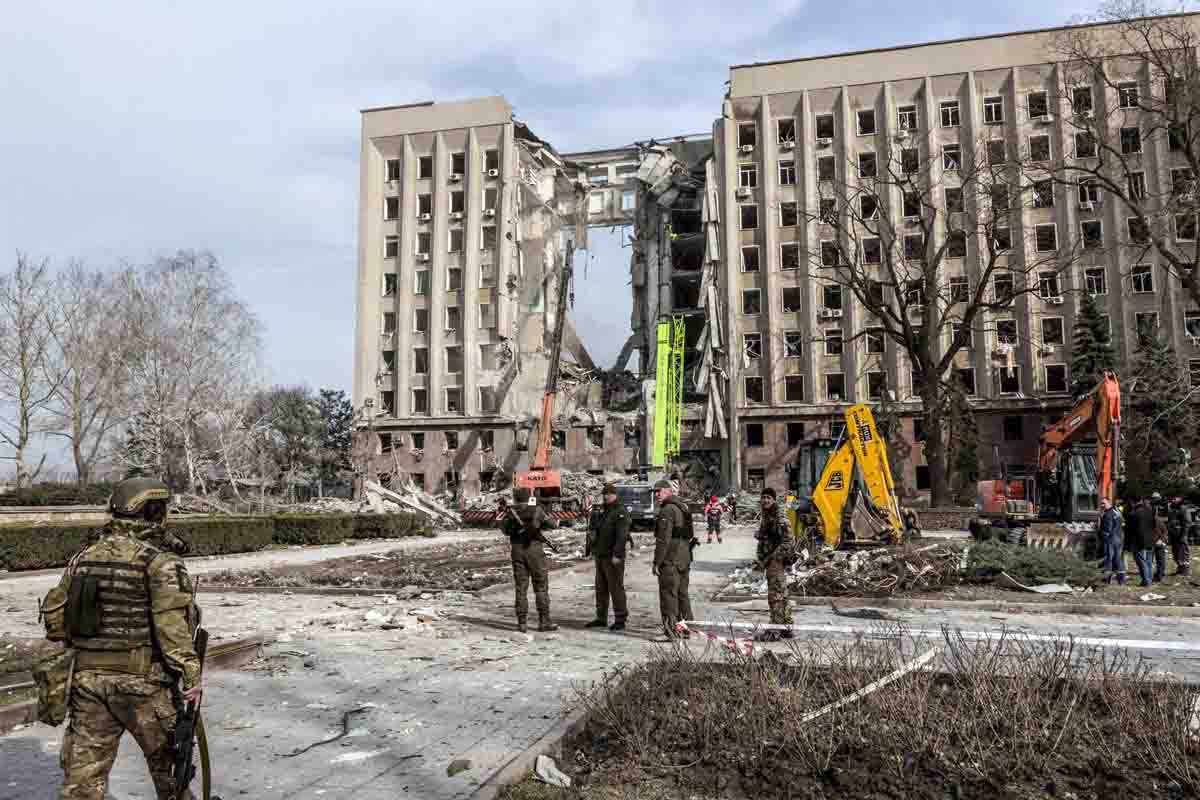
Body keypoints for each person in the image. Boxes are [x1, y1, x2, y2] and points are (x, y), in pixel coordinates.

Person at [44, 478, 203, 800]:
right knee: (171, 773)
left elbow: (56, 624)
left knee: (82, 783)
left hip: (87, 682)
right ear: (155, 512)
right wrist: (191, 674)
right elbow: (171, 627)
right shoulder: (159, 562)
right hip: (142, 684)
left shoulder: (82, 557)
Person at [501, 488, 558, 632]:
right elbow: (552, 524)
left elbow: (504, 529)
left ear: (516, 498)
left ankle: (522, 623)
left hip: (517, 550)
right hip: (534, 550)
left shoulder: (511, 513)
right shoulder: (536, 510)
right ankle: (544, 621)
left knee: (521, 587)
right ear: (529, 497)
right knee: (540, 586)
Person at [586, 483, 632, 632]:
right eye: (604, 494)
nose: (606, 496)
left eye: (609, 494)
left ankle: (620, 618)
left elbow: (622, 535)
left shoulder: (620, 511)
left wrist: (618, 554)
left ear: (615, 495)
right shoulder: (603, 511)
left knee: (616, 588)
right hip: (600, 555)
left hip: (613, 556)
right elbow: (594, 530)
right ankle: (601, 617)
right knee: (601, 588)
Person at [653, 479, 695, 639]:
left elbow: (663, 539)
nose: (656, 495)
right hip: (685, 556)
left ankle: (670, 631)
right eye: (655, 492)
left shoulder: (667, 510)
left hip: (671, 558)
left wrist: (657, 562)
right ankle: (686, 628)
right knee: (682, 594)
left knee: (668, 595)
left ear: (668, 490)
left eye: (659, 491)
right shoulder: (682, 506)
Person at [755, 488, 795, 641]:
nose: (765, 500)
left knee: (775, 596)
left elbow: (788, 540)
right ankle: (786, 627)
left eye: (768, 498)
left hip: (776, 561)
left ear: (773, 500)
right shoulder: (768, 515)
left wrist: (774, 558)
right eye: (763, 497)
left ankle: (775, 630)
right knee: (782, 594)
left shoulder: (779, 516)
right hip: (770, 560)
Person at [1130, 495, 1157, 587]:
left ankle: (1146, 581)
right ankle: (1149, 579)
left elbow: (1133, 529)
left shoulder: (1134, 513)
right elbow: (1154, 525)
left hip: (1139, 540)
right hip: (1150, 539)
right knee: (1149, 561)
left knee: (1141, 561)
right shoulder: (1150, 510)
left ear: (1132, 502)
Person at [1099, 497, 1127, 585]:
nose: (1102, 505)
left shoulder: (1107, 514)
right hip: (1119, 538)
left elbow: (1107, 529)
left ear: (1109, 503)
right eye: (1101, 503)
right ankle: (1121, 579)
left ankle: (1107, 579)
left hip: (1110, 539)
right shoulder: (1117, 512)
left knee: (1108, 559)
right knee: (1118, 559)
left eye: (1103, 503)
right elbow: (1122, 524)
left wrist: (1101, 533)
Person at [1168, 497, 1193, 577]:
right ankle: (1180, 568)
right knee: (1176, 552)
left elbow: (1187, 523)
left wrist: (1184, 535)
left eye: (1175, 499)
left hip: (1181, 534)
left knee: (1183, 552)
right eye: (1173, 499)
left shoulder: (1184, 509)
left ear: (1180, 501)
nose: (1173, 500)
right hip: (1174, 534)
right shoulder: (1172, 508)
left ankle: (1185, 570)